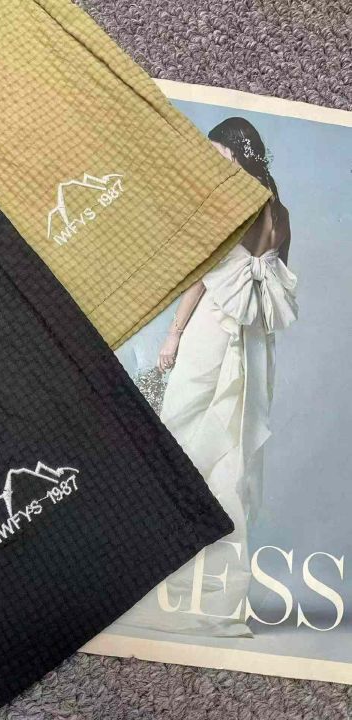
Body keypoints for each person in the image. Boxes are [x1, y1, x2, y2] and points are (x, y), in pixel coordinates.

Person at [154, 118, 299, 636]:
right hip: (255, 341)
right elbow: (274, 277)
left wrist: (172, 335)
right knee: (233, 459)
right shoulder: (279, 210)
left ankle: (175, 592)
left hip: (215, 331)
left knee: (181, 440)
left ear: (237, 153)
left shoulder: (230, 202)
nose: (212, 160)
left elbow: (200, 278)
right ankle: (219, 602)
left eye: (217, 152)